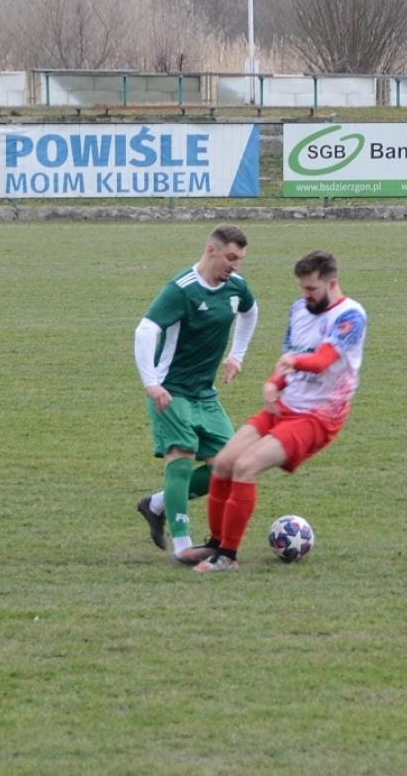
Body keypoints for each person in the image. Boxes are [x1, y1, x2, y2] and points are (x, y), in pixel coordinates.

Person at [196, 250, 366, 573]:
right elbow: (289, 359)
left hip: (317, 418)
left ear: (332, 283)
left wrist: (292, 362)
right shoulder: (299, 310)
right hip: (283, 407)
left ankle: (228, 557)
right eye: (302, 288)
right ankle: (215, 544)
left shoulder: (351, 316)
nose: (305, 295)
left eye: (312, 289)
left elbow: (322, 361)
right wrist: (274, 382)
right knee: (223, 463)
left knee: (245, 466)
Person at [134, 224, 259, 564]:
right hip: (170, 389)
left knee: (229, 465)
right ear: (211, 250)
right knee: (182, 457)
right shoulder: (182, 289)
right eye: (231, 257)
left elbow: (250, 312)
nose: (235, 265)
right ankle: (183, 546)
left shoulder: (236, 287)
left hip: (205, 394)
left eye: (240, 259)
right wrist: (151, 384)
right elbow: (145, 331)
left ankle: (156, 505)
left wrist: (237, 355)